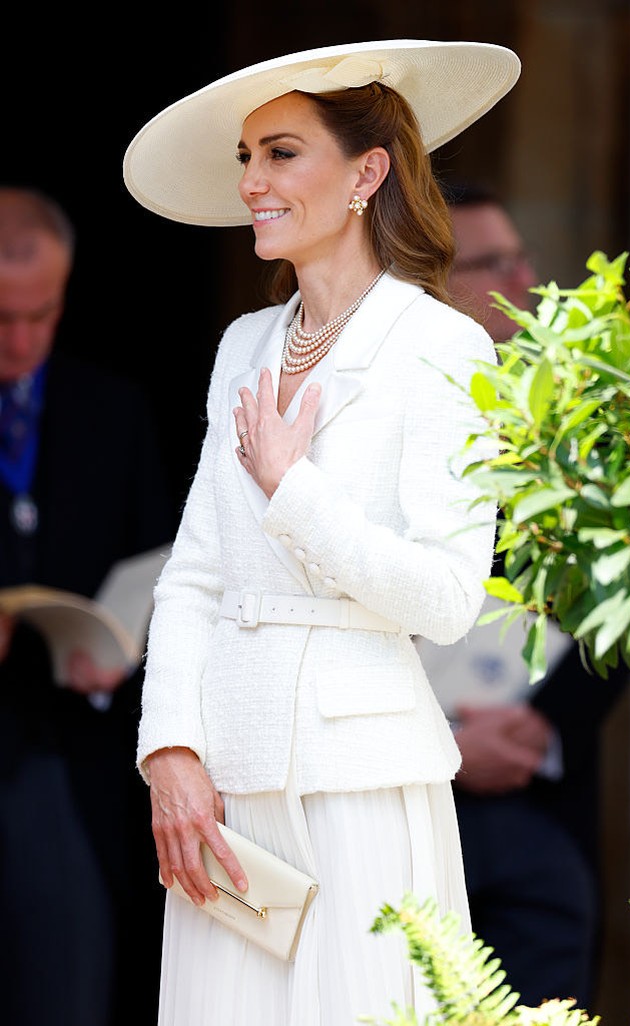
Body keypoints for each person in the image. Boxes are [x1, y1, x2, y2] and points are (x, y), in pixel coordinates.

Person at [122, 39, 521, 1026]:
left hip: (363, 789)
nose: (251, 183)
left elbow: (446, 599)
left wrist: (291, 490)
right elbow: (195, 578)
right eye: (246, 158)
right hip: (226, 794)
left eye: (281, 153)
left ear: (365, 173)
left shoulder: (442, 346)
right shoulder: (244, 346)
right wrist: (170, 750)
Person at [416, 178, 630, 1011]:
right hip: (402, 807)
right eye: (490, 264)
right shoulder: (376, 417)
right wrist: (440, 746)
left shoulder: (584, 418)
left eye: (521, 257)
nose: (524, 281)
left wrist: (541, 729)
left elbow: (623, 596)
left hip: (542, 799)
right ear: (431, 287)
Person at [0, 186, 175, 1026]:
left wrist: (120, 652)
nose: (22, 341)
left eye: (42, 315)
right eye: (1, 319)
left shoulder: (113, 408)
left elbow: (163, 569)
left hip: (73, 761)